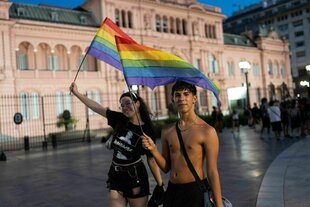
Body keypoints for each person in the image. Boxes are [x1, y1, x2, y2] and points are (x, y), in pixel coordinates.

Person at [70, 82, 163, 207]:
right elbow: (97, 108)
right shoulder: (120, 119)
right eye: (122, 105)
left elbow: (151, 159)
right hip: (116, 174)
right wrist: (77, 93)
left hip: (135, 176)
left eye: (128, 103)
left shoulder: (147, 130)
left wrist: (160, 184)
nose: (124, 107)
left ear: (138, 103)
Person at [142, 81, 224, 207]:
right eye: (178, 95)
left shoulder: (207, 131)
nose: (182, 99)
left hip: (194, 190)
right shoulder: (167, 131)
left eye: (186, 94)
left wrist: (219, 205)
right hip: (172, 191)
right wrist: (153, 150)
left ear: (194, 98)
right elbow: (166, 167)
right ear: (172, 99)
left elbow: (212, 171)